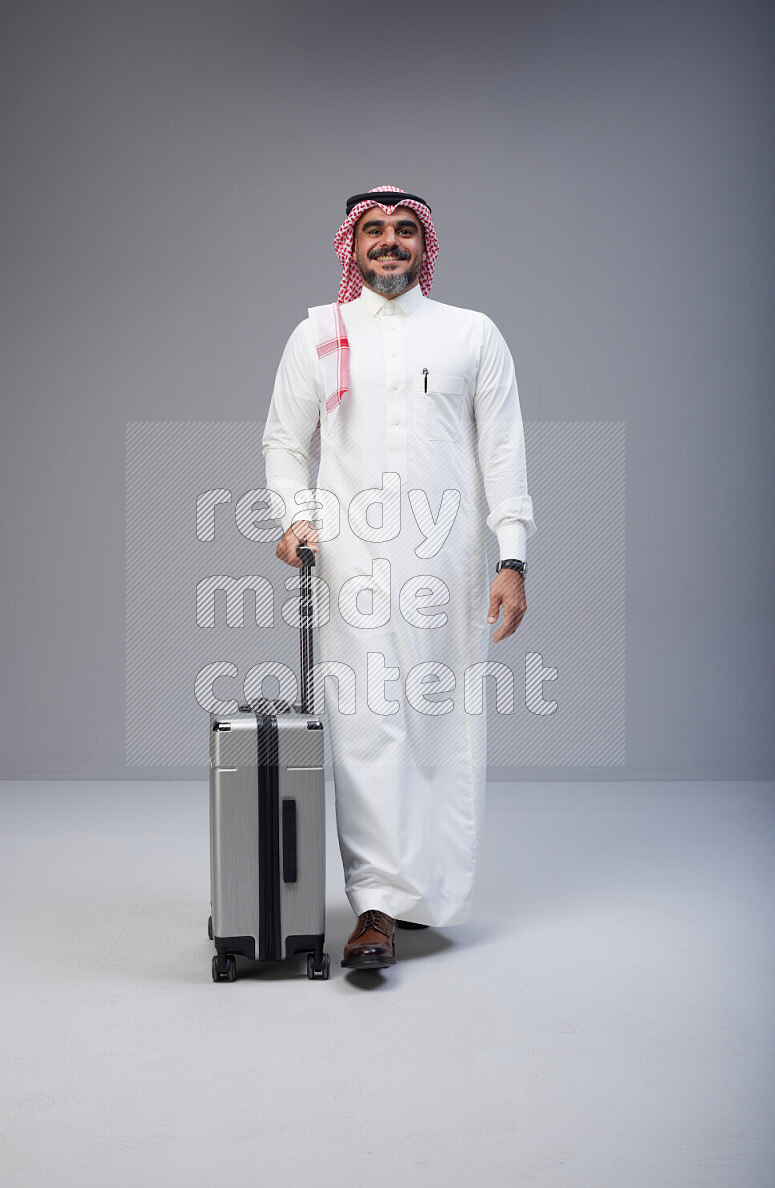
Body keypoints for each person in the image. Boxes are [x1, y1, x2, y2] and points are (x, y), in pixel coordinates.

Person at [262, 185, 536, 971]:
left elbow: (504, 452)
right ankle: (376, 905)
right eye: (374, 230)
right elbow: (284, 441)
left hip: (448, 562)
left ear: (425, 244)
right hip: (349, 559)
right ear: (351, 245)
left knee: (440, 723)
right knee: (365, 725)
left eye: (404, 230)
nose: (389, 242)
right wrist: (294, 516)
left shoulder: (470, 335)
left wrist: (511, 557)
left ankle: (430, 895)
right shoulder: (320, 331)